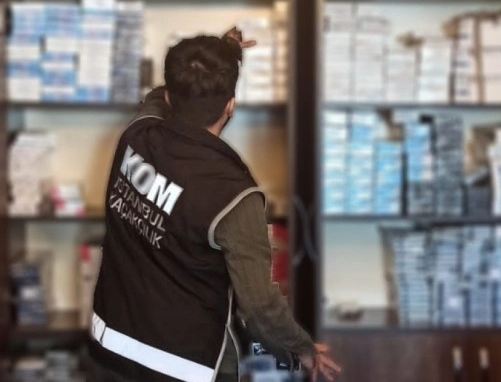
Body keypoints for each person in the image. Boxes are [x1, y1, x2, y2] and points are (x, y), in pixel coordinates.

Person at [87, 28, 341, 382]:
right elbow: (259, 305)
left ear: (171, 97)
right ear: (230, 106)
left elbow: (158, 96)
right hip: (184, 367)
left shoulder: (137, 135)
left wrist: (222, 52)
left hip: (109, 350)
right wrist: (301, 348)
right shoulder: (235, 197)